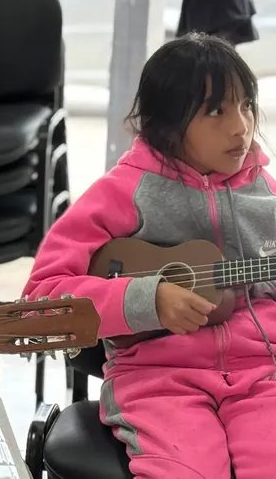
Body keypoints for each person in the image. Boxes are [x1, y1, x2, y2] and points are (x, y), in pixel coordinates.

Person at [22, 33, 275, 479]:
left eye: (246, 106)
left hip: (265, 377)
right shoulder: (120, 194)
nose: (240, 126)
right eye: (216, 110)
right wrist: (146, 300)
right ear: (167, 121)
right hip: (160, 384)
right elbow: (41, 299)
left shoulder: (267, 193)